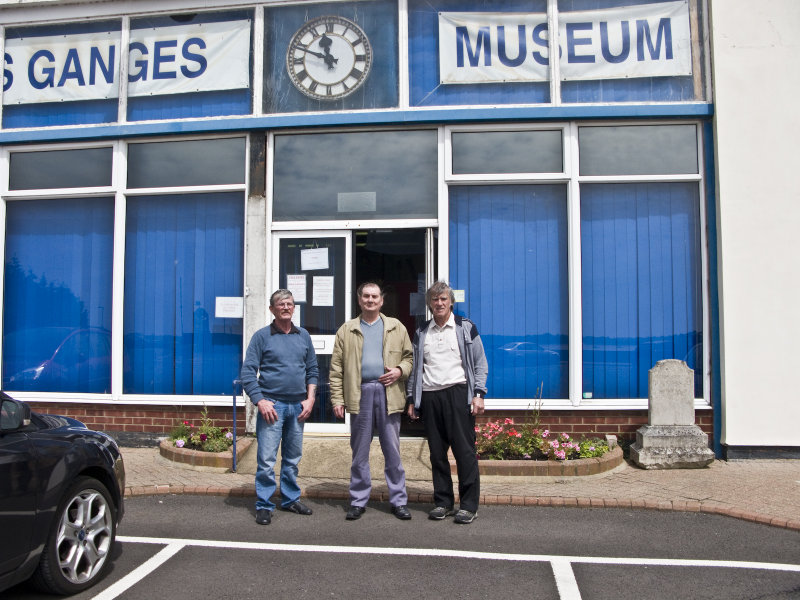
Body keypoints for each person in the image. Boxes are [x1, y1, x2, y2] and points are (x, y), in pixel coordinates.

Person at [330, 282, 414, 521]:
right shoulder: (347, 330)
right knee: (359, 452)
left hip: (389, 392)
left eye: (374, 296)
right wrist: (338, 398)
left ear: (381, 300)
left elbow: (410, 358)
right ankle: (358, 500)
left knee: (393, 451)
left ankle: (398, 501)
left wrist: (399, 371)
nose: (370, 300)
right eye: (366, 296)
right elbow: (336, 369)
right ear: (359, 300)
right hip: (360, 393)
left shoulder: (396, 327)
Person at [406, 281, 488, 525]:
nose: (439, 303)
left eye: (443, 299)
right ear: (429, 304)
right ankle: (442, 502)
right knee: (437, 455)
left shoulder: (465, 327)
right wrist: (412, 399)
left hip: (458, 394)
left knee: (464, 453)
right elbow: (415, 370)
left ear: (451, 301)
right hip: (431, 397)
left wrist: (479, 394)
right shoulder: (421, 331)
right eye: (435, 300)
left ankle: (469, 505)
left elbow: (480, 363)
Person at [241, 289, 319, 526]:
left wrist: (311, 399)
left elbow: (313, 370)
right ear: (272, 309)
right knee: (266, 460)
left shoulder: (303, 335)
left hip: (298, 406)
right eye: (281, 304)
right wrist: (260, 400)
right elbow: (248, 372)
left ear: (294, 308)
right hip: (272, 406)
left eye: (290, 304)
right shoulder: (261, 337)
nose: (286, 307)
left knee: (293, 458)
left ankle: (290, 499)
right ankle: (264, 504)